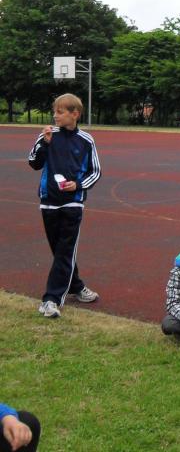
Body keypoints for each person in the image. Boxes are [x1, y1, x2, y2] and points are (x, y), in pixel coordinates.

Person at [27, 93, 101, 319]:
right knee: (59, 250)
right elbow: (34, 163)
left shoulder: (86, 140)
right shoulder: (48, 135)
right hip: (48, 202)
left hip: (73, 203)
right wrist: (44, 143)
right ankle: (76, 286)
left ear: (74, 114)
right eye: (55, 111)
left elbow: (95, 171)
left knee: (65, 250)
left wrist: (78, 185)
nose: (55, 116)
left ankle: (51, 299)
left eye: (60, 112)